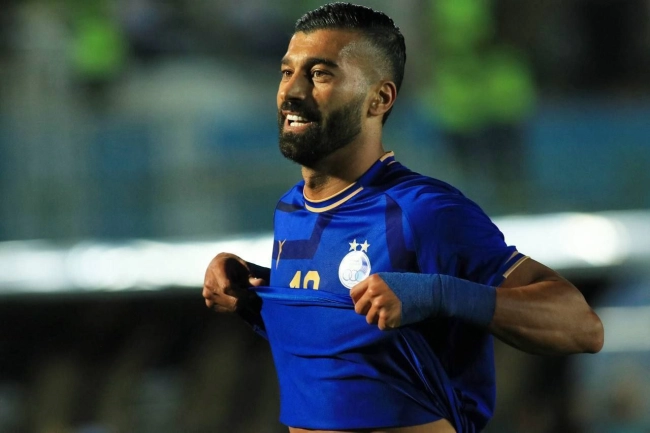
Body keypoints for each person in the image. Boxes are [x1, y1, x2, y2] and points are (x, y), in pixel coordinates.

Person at [202, 3, 604, 433]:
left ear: (379, 99)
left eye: (319, 74)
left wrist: (438, 293)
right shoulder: (291, 210)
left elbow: (582, 327)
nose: (292, 91)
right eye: (287, 72)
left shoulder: (422, 210)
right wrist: (254, 292)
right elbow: (347, 342)